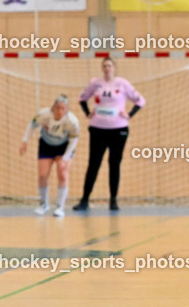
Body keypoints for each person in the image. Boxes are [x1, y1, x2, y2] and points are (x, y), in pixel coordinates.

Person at [72, 57, 145, 211]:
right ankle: (84, 200)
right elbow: (82, 98)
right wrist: (87, 113)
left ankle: (113, 200)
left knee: (114, 164)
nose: (107, 68)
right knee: (94, 164)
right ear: (102, 68)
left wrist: (129, 114)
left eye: (109, 66)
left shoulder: (123, 84)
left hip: (118, 129)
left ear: (114, 68)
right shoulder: (96, 83)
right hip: (98, 129)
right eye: (104, 66)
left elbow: (140, 101)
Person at [19, 95, 79, 217]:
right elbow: (32, 125)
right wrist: (24, 141)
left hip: (64, 146)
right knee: (42, 175)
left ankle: (60, 207)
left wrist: (65, 158)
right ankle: (43, 204)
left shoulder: (72, 122)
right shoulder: (44, 115)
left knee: (62, 173)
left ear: (66, 110)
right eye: (58, 108)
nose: (60, 111)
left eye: (63, 108)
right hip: (46, 144)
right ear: (53, 107)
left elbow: (74, 141)